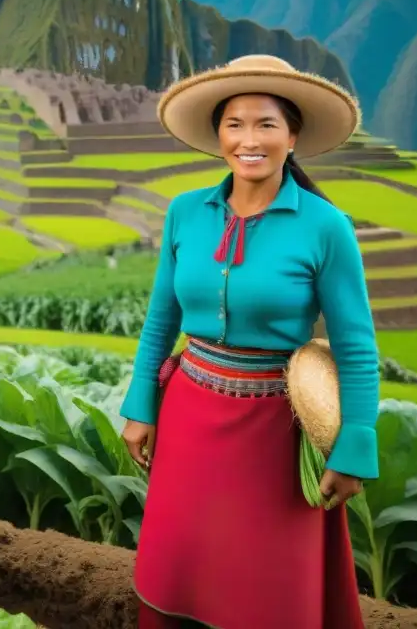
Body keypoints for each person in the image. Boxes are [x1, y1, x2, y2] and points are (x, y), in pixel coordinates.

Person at [120, 55, 379, 629]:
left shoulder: (325, 226)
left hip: (274, 435)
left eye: (265, 124)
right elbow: (161, 320)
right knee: (177, 573)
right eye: (234, 124)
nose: (249, 139)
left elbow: (356, 345)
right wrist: (140, 405)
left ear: (293, 135)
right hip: (187, 417)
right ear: (218, 136)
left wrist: (354, 445)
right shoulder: (185, 213)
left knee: (263, 590)